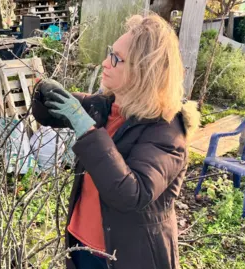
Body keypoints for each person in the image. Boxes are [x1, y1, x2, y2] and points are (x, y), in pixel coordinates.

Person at [32, 14, 200, 269]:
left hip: (127, 258)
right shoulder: (106, 107)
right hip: (81, 246)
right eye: (111, 53)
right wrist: (45, 91)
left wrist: (86, 129)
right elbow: (46, 114)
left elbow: (130, 194)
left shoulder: (167, 131)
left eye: (117, 59)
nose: (105, 63)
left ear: (145, 71)